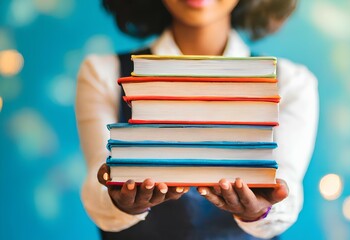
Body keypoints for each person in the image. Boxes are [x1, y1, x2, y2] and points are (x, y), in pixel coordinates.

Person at [75, 0, 318, 239]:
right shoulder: (102, 74)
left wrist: (261, 211)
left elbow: (287, 190)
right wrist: (119, 203)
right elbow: (98, 191)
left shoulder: (291, 83)